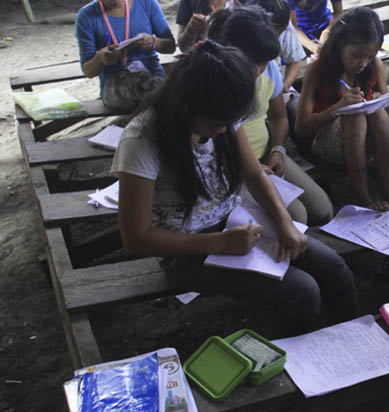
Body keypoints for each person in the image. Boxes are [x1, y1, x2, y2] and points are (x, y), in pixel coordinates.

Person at [112, 41, 356, 334]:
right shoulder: (141, 140)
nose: (223, 130)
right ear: (186, 104)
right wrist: (218, 243)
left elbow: (253, 174)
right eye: (216, 123)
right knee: (302, 292)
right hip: (184, 250)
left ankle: (349, 339)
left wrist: (284, 222)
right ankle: (303, 361)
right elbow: (136, 238)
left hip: (237, 223)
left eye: (229, 122)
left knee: (334, 268)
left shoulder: (223, 113)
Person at [207, 6, 334, 225]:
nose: (259, 70)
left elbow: (278, 118)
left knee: (322, 210)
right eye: (254, 63)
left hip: (265, 154)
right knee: (297, 216)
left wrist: (278, 150)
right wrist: (250, 170)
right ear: (230, 52)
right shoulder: (218, 81)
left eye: (265, 63)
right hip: (231, 166)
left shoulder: (266, 68)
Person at [295, 7, 389, 211]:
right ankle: (363, 197)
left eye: (369, 56)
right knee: (355, 116)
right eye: (357, 55)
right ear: (341, 43)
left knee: (378, 114)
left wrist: (382, 102)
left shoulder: (374, 66)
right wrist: (338, 108)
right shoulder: (317, 70)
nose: (363, 63)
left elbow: (388, 116)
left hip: (367, 145)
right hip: (325, 146)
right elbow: (301, 128)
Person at [75, 0, 176, 112]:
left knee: (161, 91)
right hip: (114, 85)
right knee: (158, 95)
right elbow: (88, 71)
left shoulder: (145, 1)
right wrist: (100, 58)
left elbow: (170, 46)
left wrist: (153, 43)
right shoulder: (87, 17)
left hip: (153, 77)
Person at [247, 0, 308, 92]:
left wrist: (286, 84)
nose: (275, 36)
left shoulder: (284, 25)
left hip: (275, 87)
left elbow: (294, 62)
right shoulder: (239, 32)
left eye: (279, 32)